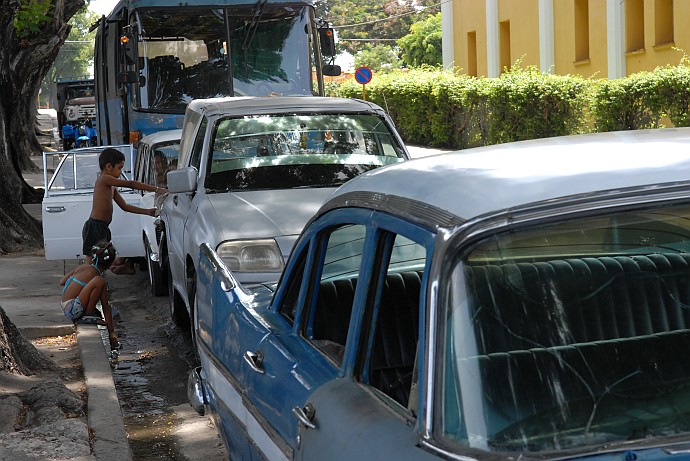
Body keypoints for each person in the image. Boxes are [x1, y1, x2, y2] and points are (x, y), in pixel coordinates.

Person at [82, 147, 167, 275]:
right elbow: (131, 184)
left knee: (100, 262)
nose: (121, 172)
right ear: (109, 166)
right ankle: (81, 284)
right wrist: (157, 189)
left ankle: (94, 283)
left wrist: (147, 211)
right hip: (94, 226)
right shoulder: (104, 179)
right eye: (119, 168)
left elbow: (125, 206)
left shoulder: (111, 187)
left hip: (102, 227)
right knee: (91, 262)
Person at [60, 241, 120, 350]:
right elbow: (106, 307)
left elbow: (62, 281)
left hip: (65, 305)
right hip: (72, 309)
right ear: (109, 264)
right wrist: (111, 333)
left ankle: (88, 312)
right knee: (99, 281)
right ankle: (88, 314)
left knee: (96, 282)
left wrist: (80, 285)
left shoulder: (83, 267)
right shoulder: (96, 276)